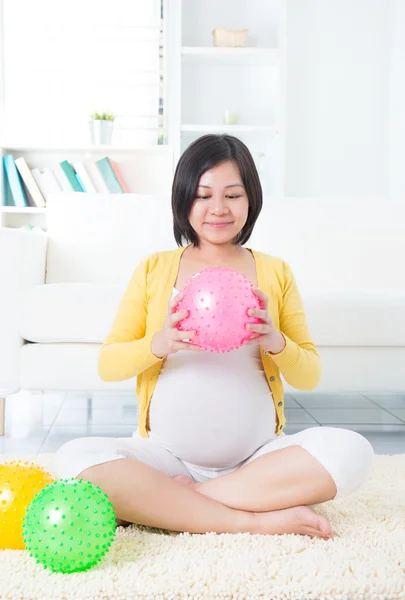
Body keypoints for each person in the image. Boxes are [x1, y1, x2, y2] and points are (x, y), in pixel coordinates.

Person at [54, 134, 374, 540]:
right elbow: (108, 364)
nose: (218, 209)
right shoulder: (155, 268)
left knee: (352, 451)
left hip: (258, 462)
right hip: (164, 459)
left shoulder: (275, 271)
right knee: (72, 459)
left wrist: (273, 339)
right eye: (203, 195)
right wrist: (160, 343)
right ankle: (251, 519)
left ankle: (182, 501)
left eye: (233, 194)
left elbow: (309, 375)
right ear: (183, 199)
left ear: (251, 199)